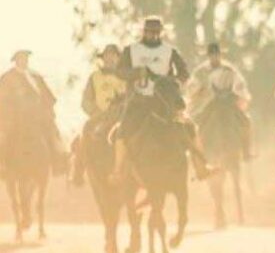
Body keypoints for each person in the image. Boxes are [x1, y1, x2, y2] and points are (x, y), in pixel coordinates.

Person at [112, 16, 218, 182]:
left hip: (165, 102)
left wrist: (172, 81)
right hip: (138, 100)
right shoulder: (130, 51)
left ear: (161, 33)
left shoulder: (170, 51)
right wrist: (136, 73)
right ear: (143, 32)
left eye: (156, 32)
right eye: (150, 32)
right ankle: (118, 171)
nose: (153, 35)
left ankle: (201, 167)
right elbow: (119, 71)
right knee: (121, 131)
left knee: (190, 128)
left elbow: (184, 73)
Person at [0, 50, 68, 175]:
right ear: (15, 60)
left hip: (37, 115)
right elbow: (2, 99)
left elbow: (48, 96)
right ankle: (2, 164)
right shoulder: (7, 78)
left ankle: (57, 162)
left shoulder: (36, 77)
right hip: (15, 116)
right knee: (4, 135)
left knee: (52, 131)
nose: (24, 60)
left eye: (25, 57)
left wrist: (48, 109)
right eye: (20, 58)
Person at [71, 44, 129, 185]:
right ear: (102, 59)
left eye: (113, 56)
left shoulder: (128, 76)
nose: (110, 59)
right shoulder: (95, 77)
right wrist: (95, 111)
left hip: (125, 114)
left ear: (119, 58)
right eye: (107, 56)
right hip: (102, 115)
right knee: (85, 131)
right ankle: (78, 171)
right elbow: (85, 100)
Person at [188, 42, 255, 160]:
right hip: (207, 104)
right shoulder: (201, 71)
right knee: (196, 126)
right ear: (208, 56)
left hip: (228, 103)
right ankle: (197, 156)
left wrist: (238, 95)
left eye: (216, 54)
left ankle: (246, 151)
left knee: (246, 121)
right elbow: (191, 88)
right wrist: (200, 92)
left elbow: (240, 85)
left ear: (220, 55)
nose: (214, 57)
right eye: (212, 55)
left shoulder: (229, 69)